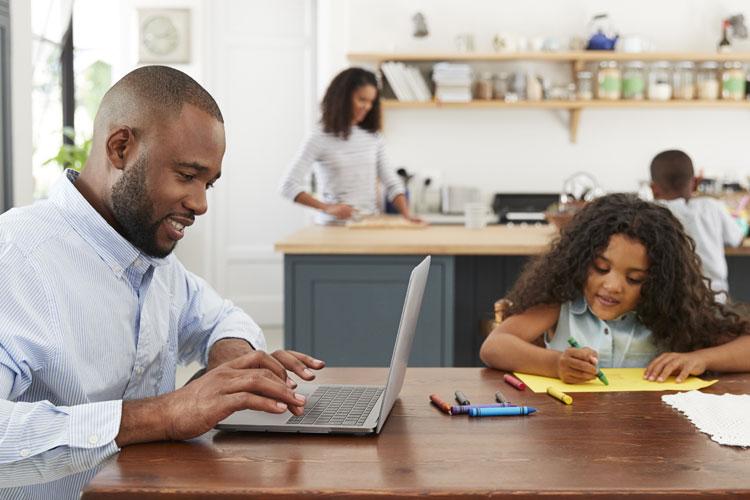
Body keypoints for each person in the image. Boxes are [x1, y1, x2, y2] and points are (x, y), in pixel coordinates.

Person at [0, 66, 324, 498]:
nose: (201, 203)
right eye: (188, 176)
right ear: (120, 149)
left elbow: (222, 317)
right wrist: (165, 414)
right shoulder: (17, 258)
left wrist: (233, 361)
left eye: (208, 183)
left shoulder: (148, 254)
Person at [479, 194, 750, 384]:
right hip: (567, 438)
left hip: (648, 442)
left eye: (634, 279)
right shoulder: (561, 305)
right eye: (600, 267)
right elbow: (495, 346)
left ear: (659, 282)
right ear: (581, 261)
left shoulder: (671, 313)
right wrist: (555, 364)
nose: (612, 286)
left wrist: (701, 359)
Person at [279, 67, 418, 225]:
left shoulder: (374, 137)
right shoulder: (319, 137)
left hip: (367, 225)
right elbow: (288, 185)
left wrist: (407, 214)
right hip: (332, 229)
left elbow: (391, 182)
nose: (367, 106)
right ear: (343, 98)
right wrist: (327, 208)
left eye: (371, 102)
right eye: (362, 99)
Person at [650, 149, 745, 300]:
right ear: (695, 183)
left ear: (654, 189)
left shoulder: (653, 213)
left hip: (672, 301)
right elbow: (737, 237)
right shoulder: (712, 206)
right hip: (716, 298)